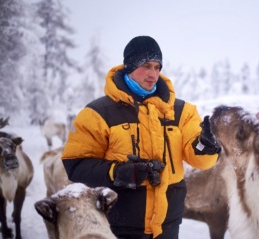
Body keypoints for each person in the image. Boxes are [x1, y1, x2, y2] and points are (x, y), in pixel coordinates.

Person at [61, 36, 220, 239]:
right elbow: (75, 165)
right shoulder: (98, 113)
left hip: (168, 224)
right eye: (146, 66)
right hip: (118, 224)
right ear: (129, 66)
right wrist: (116, 172)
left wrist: (206, 146)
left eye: (157, 67)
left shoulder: (182, 112)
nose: (153, 74)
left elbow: (199, 159)